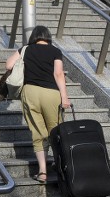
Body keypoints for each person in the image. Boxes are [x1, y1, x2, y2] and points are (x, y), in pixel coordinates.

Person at [5, 25, 71, 184]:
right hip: (51, 94)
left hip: (30, 92)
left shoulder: (25, 49)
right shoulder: (55, 51)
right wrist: (65, 97)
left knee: (37, 132)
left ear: (34, 36)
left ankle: (42, 172)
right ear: (47, 36)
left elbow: (8, 65)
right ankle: (62, 166)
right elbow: (58, 74)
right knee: (55, 130)